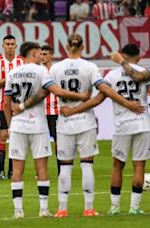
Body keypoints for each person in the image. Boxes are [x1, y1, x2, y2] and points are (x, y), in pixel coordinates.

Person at [15, 34, 143, 217]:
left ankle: (62, 209)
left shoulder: (56, 68)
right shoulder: (90, 67)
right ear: (82, 47)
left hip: (64, 122)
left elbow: (43, 93)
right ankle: (89, 208)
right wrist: (127, 102)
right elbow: (104, 90)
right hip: (86, 122)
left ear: (67, 46)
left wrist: (21, 106)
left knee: (65, 167)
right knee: (86, 165)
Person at [4, 41, 92, 219]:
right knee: (41, 166)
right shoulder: (41, 71)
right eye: (38, 52)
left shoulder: (12, 73)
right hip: (37, 124)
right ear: (33, 53)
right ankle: (43, 209)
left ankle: (18, 211)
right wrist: (81, 96)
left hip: (18, 125)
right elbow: (57, 92)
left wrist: (10, 126)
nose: (40, 56)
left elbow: (6, 104)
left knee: (17, 167)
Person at [61, 44, 148, 215]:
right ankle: (134, 208)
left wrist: (73, 110)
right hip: (142, 123)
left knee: (117, 166)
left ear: (121, 54)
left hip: (122, 125)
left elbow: (97, 100)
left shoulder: (112, 75)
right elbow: (138, 78)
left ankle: (114, 207)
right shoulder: (144, 70)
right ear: (138, 56)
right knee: (139, 166)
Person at [0, 35, 23, 180]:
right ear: (3, 46)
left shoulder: (22, 62)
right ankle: (1, 171)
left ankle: (11, 171)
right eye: (7, 44)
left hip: (18, 105)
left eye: (12, 44)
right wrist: (10, 78)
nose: (10, 46)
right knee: (3, 136)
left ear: (16, 46)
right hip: (1, 105)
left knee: (15, 137)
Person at [41, 45, 60, 175]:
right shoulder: (38, 71)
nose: (43, 56)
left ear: (51, 55)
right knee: (42, 142)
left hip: (56, 111)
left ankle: (61, 170)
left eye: (45, 54)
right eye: (41, 54)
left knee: (59, 141)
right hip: (41, 113)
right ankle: (42, 170)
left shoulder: (57, 70)